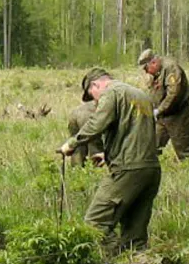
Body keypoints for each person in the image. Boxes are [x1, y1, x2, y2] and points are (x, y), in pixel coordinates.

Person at [58, 67, 162, 253]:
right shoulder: (140, 95)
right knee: (135, 236)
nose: (95, 101)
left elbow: (97, 123)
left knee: (95, 222)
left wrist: (72, 144)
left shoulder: (111, 93)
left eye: (92, 96)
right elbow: (137, 132)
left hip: (127, 170)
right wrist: (107, 155)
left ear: (96, 85)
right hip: (150, 170)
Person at [139, 48, 189, 159]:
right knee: (152, 147)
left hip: (178, 117)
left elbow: (174, 95)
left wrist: (159, 110)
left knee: (184, 152)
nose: (146, 72)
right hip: (162, 117)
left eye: (146, 68)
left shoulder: (171, 68)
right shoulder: (157, 72)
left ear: (153, 63)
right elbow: (155, 93)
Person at [65, 100, 100, 165]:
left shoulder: (79, 109)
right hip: (89, 115)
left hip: (76, 113)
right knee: (94, 146)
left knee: (77, 145)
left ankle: (77, 171)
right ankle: (95, 171)